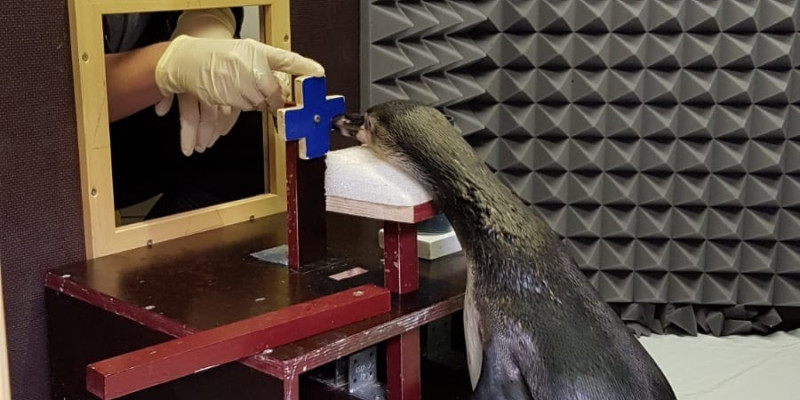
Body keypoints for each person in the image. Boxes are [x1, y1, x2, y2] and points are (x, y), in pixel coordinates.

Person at [104, 8, 323, 220]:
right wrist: (161, 66)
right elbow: (70, 93)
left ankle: (167, 253)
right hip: (84, 150)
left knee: (256, 143)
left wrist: (210, 17)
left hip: (152, 114)